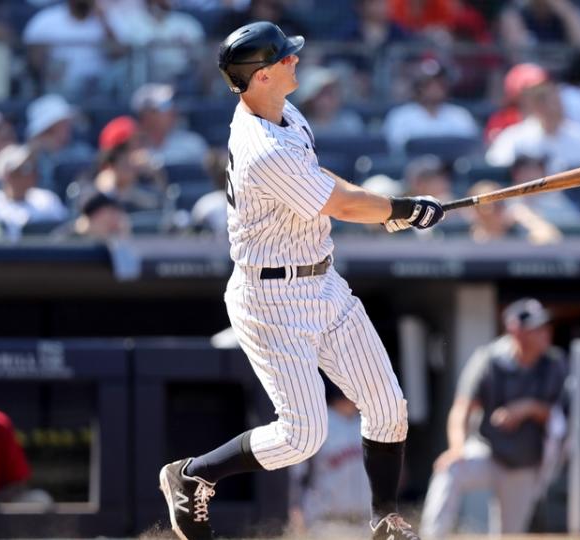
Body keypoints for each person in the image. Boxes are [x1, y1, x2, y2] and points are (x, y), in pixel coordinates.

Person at [158, 21, 445, 540]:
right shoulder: (260, 144)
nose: (296, 60)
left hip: (322, 281)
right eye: (285, 58)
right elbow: (336, 203)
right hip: (270, 297)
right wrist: (398, 209)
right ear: (262, 75)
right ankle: (191, 475)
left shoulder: (284, 112)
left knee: (386, 407)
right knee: (302, 436)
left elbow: (322, 181)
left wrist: (390, 211)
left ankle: (385, 519)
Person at [420, 298, 568, 538]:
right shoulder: (489, 359)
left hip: (525, 462)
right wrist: (457, 448)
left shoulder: (554, 363)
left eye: (546, 327)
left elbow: (558, 419)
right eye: (537, 328)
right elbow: (462, 408)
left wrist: (527, 408)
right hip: (488, 449)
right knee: (450, 470)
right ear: (515, 331)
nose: (545, 333)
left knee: (508, 534)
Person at [287, 381, 372, 538]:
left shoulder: (369, 423)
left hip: (366, 523)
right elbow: (298, 476)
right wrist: (296, 510)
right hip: (326, 524)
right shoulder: (316, 424)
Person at [486, 80, 580, 174]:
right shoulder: (515, 137)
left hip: (570, 199)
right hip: (527, 199)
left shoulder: (578, 134)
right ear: (535, 107)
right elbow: (496, 170)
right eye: (548, 102)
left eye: (557, 101)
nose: (556, 108)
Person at [22, 0, 123, 98]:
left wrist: (103, 19)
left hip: (99, 88)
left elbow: (119, 53)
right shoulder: (46, 20)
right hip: (59, 88)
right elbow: (34, 60)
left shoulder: (107, 19)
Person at [381, 58, 479, 153]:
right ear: (418, 87)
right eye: (429, 84)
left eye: (440, 83)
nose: (435, 88)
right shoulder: (400, 116)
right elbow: (396, 152)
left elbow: (470, 150)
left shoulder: (460, 115)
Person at [0, 144, 69, 240]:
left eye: (32, 167)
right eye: (24, 168)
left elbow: (64, 233)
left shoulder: (48, 199)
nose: (31, 172)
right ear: (6, 174)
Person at [26, 94, 95, 191]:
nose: (68, 127)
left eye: (67, 123)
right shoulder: (28, 157)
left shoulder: (83, 152)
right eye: (61, 124)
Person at [131, 83, 208, 166]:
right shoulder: (130, 151)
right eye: (164, 107)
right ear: (146, 116)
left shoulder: (193, 144)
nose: (172, 111)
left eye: (171, 105)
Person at [465, 180, 562, 244]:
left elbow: (552, 238)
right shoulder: (470, 239)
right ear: (476, 211)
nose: (499, 209)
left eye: (500, 203)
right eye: (491, 205)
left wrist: (525, 217)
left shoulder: (517, 232)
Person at [484, 62, 549, 144]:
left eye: (541, 89)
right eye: (530, 90)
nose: (537, 95)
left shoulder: (553, 117)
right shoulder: (501, 121)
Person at [293, 66, 364, 136]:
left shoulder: (351, 124)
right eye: (321, 94)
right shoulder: (298, 126)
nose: (326, 100)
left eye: (331, 94)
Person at [499, 0, 580, 49]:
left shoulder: (566, 12)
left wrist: (566, 11)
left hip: (566, 78)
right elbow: (517, 54)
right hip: (531, 79)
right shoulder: (516, 13)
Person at [55, 191, 131, 240]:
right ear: (97, 214)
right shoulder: (67, 238)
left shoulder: (115, 235)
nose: (116, 219)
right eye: (112, 212)